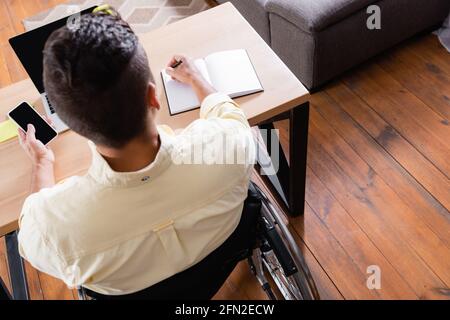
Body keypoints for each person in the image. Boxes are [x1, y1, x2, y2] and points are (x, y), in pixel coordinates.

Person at [17, 8, 255, 297]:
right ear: (153, 96)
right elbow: (226, 113)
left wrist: (43, 162)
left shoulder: (51, 229)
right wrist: (194, 77)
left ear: (75, 127)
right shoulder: (229, 143)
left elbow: (32, 217)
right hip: (221, 260)